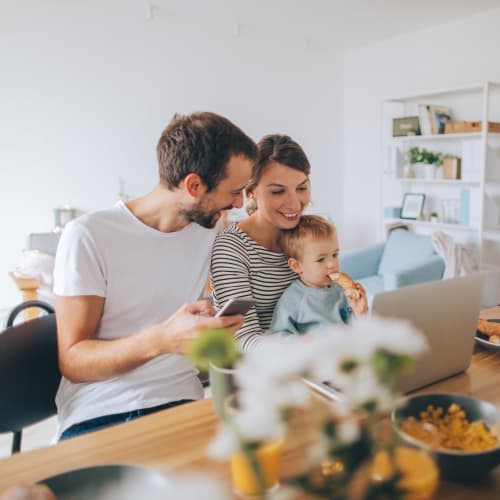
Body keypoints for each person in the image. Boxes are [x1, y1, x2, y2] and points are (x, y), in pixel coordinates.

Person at [53, 112, 258, 439]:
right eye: (234, 191)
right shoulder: (89, 235)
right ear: (194, 185)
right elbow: (73, 361)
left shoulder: (211, 229)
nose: (239, 202)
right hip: (102, 411)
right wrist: (161, 340)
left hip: (183, 404)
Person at [210, 134, 311, 351]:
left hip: (315, 362)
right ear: (251, 192)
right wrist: (304, 347)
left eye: (301, 188)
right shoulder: (231, 248)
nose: (294, 203)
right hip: (263, 370)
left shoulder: (309, 235)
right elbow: (243, 339)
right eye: (278, 191)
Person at [270, 215, 368, 335]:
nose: (332, 264)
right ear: (296, 266)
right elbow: (278, 336)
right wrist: (301, 342)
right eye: (321, 259)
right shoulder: (292, 299)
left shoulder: (340, 289)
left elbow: (354, 329)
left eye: (335, 255)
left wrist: (360, 313)